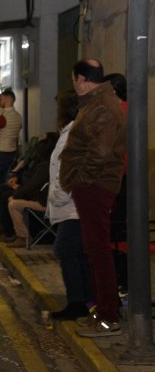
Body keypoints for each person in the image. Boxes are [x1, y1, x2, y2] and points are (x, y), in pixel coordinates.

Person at [60, 59, 126, 337]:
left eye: (75, 79)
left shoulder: (101, 106)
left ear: (82, 79)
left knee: (98, 251)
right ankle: (103, 311)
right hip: (92, 186)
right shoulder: (97, 102)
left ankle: (108, 317)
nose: (74, 85)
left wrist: (79, 181)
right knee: (94, 249)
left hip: (94, 187)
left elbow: (98, 153)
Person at [47, 89, 93, 321]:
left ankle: (78, 302)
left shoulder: (73, 133)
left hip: (72, 206)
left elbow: (68, 170)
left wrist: (58, 195)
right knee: (74, 251)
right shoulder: (72, 131)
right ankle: (85, 300)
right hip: (72, 205)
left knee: (65, 250)